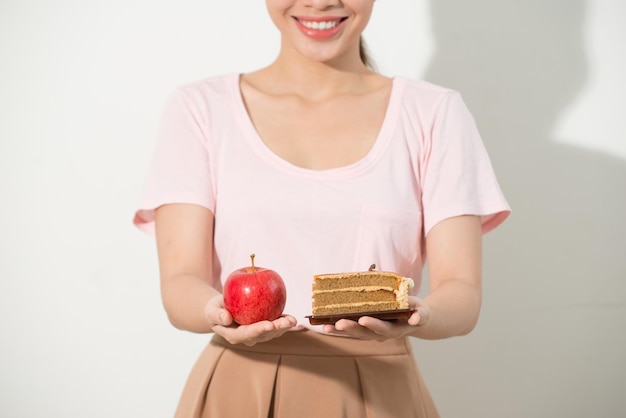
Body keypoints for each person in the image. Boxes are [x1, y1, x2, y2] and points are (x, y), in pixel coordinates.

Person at [133, 1, 510, 416]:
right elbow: (181, 281)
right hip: (239, 390)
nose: (320, 1)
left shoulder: (435, 113)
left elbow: (462, 292)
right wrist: (216, 312)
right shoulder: (200, 109)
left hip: (379, 393)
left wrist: (418, 314)